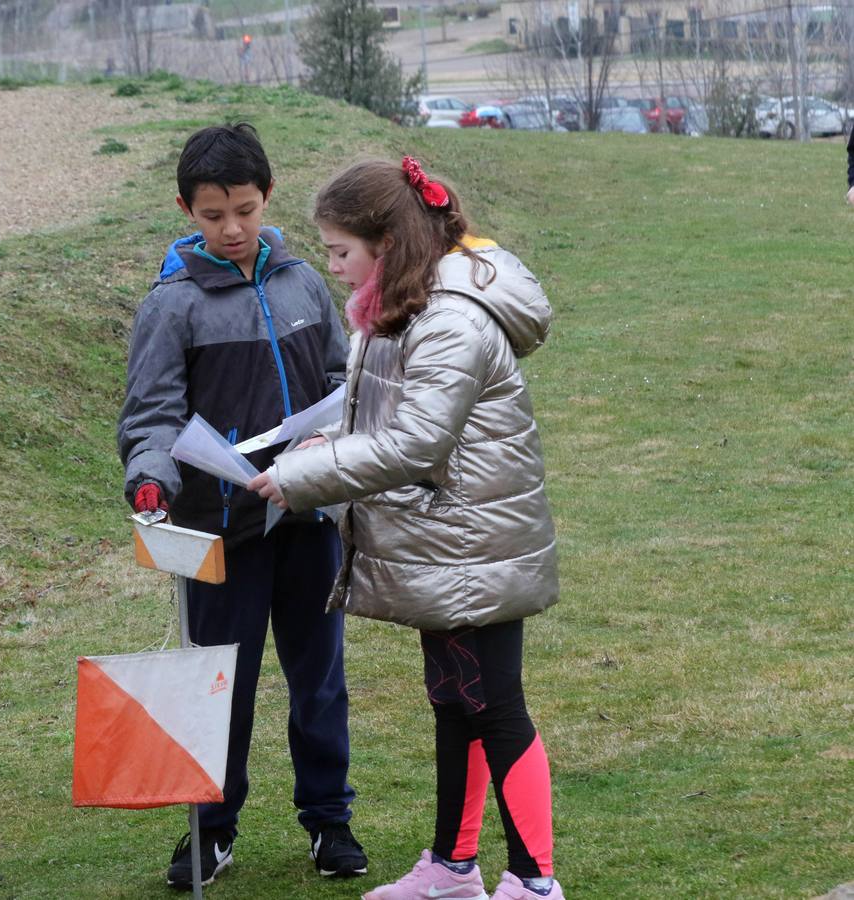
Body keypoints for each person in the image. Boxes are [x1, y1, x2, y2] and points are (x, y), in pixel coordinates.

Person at [250, 157, 564, 900]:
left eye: (339, 251)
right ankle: (453, 870)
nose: (329, 266)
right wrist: (327, 447)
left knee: (498, 707)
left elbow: (417, 444)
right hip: (441, 538)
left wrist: (299, 479)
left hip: (472, 541)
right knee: (457, 701)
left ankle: (535, 883)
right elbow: (394, 420)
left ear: (386, 243)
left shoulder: (449, 318)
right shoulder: (399, 303)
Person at [117, 123, 366, 889]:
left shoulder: (302, 284)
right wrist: (149, 476)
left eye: (246, 211)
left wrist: (327, 448)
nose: (231, 229)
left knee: (318, 678)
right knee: (218, 684)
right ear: (186, 209)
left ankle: (329, 822)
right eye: (213, 214)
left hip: (305, 520)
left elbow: (336, 382)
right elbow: (152, 414)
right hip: (215, 531)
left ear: (268, 200)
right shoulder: (172, 305)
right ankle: (210, 830)